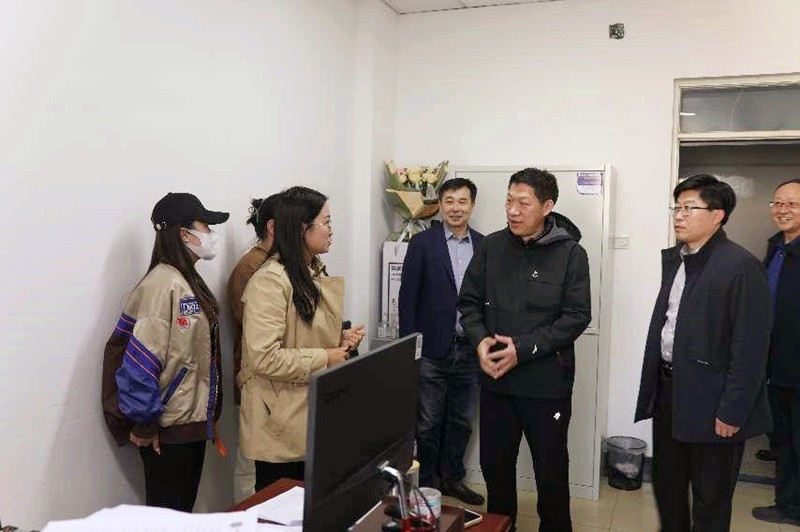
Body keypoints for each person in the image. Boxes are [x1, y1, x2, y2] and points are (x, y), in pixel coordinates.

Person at [634, 174, 772, 532]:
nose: (679, 215)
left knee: (710, 497)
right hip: (670, 392)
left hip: (714, 402)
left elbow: (751, 349)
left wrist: (733, 410)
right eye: (677, 208)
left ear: (717, 215)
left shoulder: (740, 266)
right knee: (667, 485)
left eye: (689, 208)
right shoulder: (678, 260)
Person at [458, 168, 591, 531]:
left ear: (547, 207)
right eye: (509, 200)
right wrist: (480, 341)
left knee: (551, 471)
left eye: (523, 203)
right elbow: (468, 303)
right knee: (495, 468)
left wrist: (522, 348)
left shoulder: (571, 254)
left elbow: (576, 317)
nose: (513, 210)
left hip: (546, 385)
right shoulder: (491, 247)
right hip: (496, 381)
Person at [101, 192, 229, 511]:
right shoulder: (163, 285)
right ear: (184, 234)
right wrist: (144, 424)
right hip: (168, 430)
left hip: (189, 425)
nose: (211, 234)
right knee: (168, 518)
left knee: (181, 515)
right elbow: (140, 363)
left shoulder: (185, 280)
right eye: (205, 226)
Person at [237, 186, 365, 491]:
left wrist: (340, 340)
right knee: (280, 504)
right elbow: (265, 357)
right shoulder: (269, 281)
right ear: (300, 229)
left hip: (308, 411)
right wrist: (327, 356)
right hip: (280, 420)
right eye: (326, 222)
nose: (331, 231)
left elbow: (300, 334)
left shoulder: (308, 271)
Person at [398, 178, 485, 505]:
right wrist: (411, 348)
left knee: (462, 421)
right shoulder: (422, 243)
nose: (456, 208)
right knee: (428, 421)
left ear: (472, 205)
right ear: (440, 205)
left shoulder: (485, 245)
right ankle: (427, 482)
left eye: (462, 201)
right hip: (432, 349)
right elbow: (407, 300)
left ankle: (452, 479)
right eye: (449, 201)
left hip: (471, 349)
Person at [226, 193, 281, 502]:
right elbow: (257, 333)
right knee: (250, 470)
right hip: (256, 380)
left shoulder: (273, 264)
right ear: (273, 227)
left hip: (275, 383)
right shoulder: (252, 268)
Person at [753, 179, 800, 526]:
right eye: (777, 203)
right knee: (783, 437)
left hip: (796, 364)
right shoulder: (776, 246)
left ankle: (792, 508)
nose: (782, 210)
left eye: (792, 204)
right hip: (775, 363)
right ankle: (787, 503)